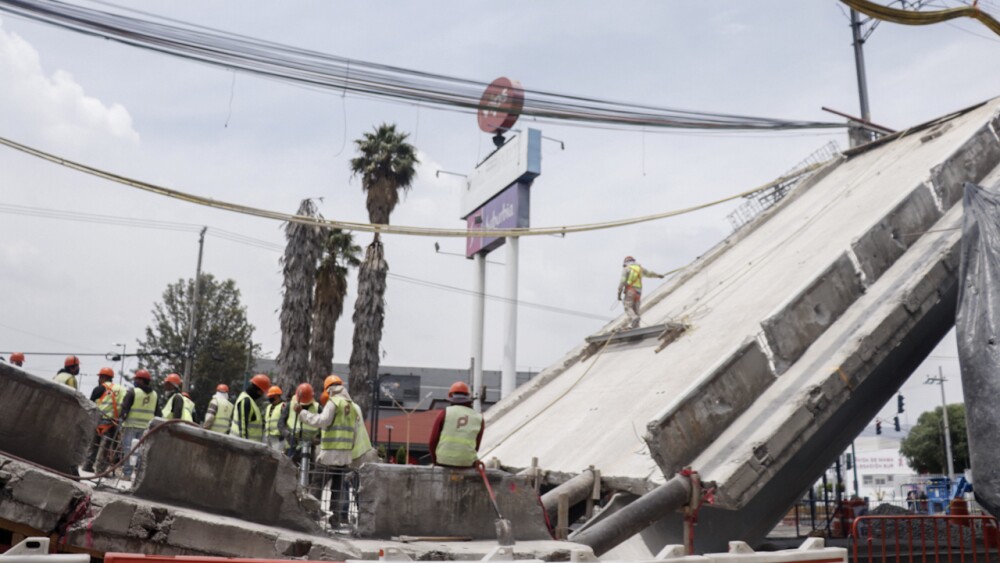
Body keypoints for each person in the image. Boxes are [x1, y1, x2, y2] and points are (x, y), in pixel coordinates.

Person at [296, 375, 356, 526]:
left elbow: (322, 421)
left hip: (329, 454)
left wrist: (302, 414)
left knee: (317, 483)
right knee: (338, 488)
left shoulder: (334, 402)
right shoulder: (351, 406)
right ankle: (335, 519)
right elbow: (353, 432)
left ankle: (310, 514)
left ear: (329, 388)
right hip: (345, 456)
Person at [428, 381, 484, 468]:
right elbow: (476, 446)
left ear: (451, 398)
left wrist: (435, 461)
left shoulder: (445, 413)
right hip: (466, 463)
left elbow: (432, 441)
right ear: (468, 398)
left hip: (443, 461)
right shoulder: (478, 418)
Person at [119, 369, 160, 480]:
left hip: (131, 426)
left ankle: (127, 474)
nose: (135, 381)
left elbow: (124, 409)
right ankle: (139, 476)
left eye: (136, 379)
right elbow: (158, 413)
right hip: (146, 429)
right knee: (142, 452)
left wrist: (121, 419)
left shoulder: (133, 392)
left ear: (141, 380)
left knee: (129, 450)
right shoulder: (155, 395)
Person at [84, 367, 124, 473]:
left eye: (100, 377)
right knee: (107, 446)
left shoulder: (100, 388)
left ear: (103, 377)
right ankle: (101, 469)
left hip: (101, 422)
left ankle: (88, 465)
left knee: (95, 443)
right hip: (114, 423)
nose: (99, 380)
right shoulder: (121, 389)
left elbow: (89, 404)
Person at [617, 256, 664, 329]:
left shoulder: (626, 269)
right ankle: (636, 326)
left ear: (626, 263)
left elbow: (622, 282)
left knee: (627, 305)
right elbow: (649, 274)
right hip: (638, 292)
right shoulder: (640, 269)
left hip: (630, 290)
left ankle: (634, 318)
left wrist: (619, 294)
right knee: (636, 308)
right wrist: (658, 276)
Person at [280, 382, 321, 463]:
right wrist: (287, 435)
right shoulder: (290, 405)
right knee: (289, 471)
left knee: (308, 472)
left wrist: (318, 438)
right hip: (291, 446)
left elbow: (324, 425)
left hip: (309, 448)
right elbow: (281, 423)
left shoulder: (317, 408)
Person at [231, 374, 271, 441]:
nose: (261, 395)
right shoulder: (245, 400)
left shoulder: (250, 401)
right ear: (257, 391)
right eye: (261, 392)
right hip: (242, 445)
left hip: (250, 445)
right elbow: (242, 426)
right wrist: (244, 444)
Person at [264, 385, 286, 452]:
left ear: (276, 396)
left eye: (271, 396)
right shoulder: (269, 407)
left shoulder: (283, 406)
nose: (269, 397)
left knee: (277, 456)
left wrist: (283, 434)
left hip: (278, 438)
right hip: (268, 437)